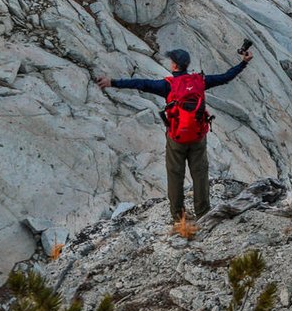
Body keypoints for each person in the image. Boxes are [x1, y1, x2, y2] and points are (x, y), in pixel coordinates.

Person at [96, 47, 252, 221]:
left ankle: (178, 217)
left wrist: (113, 82)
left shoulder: (167, 85)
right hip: (198, 136)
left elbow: (141, 84)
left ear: (175, 65)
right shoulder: (200, 81)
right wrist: (243, 63)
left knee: (175, 174)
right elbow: (225, 78)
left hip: (176, 137)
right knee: (200, 173)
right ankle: (203, 212)